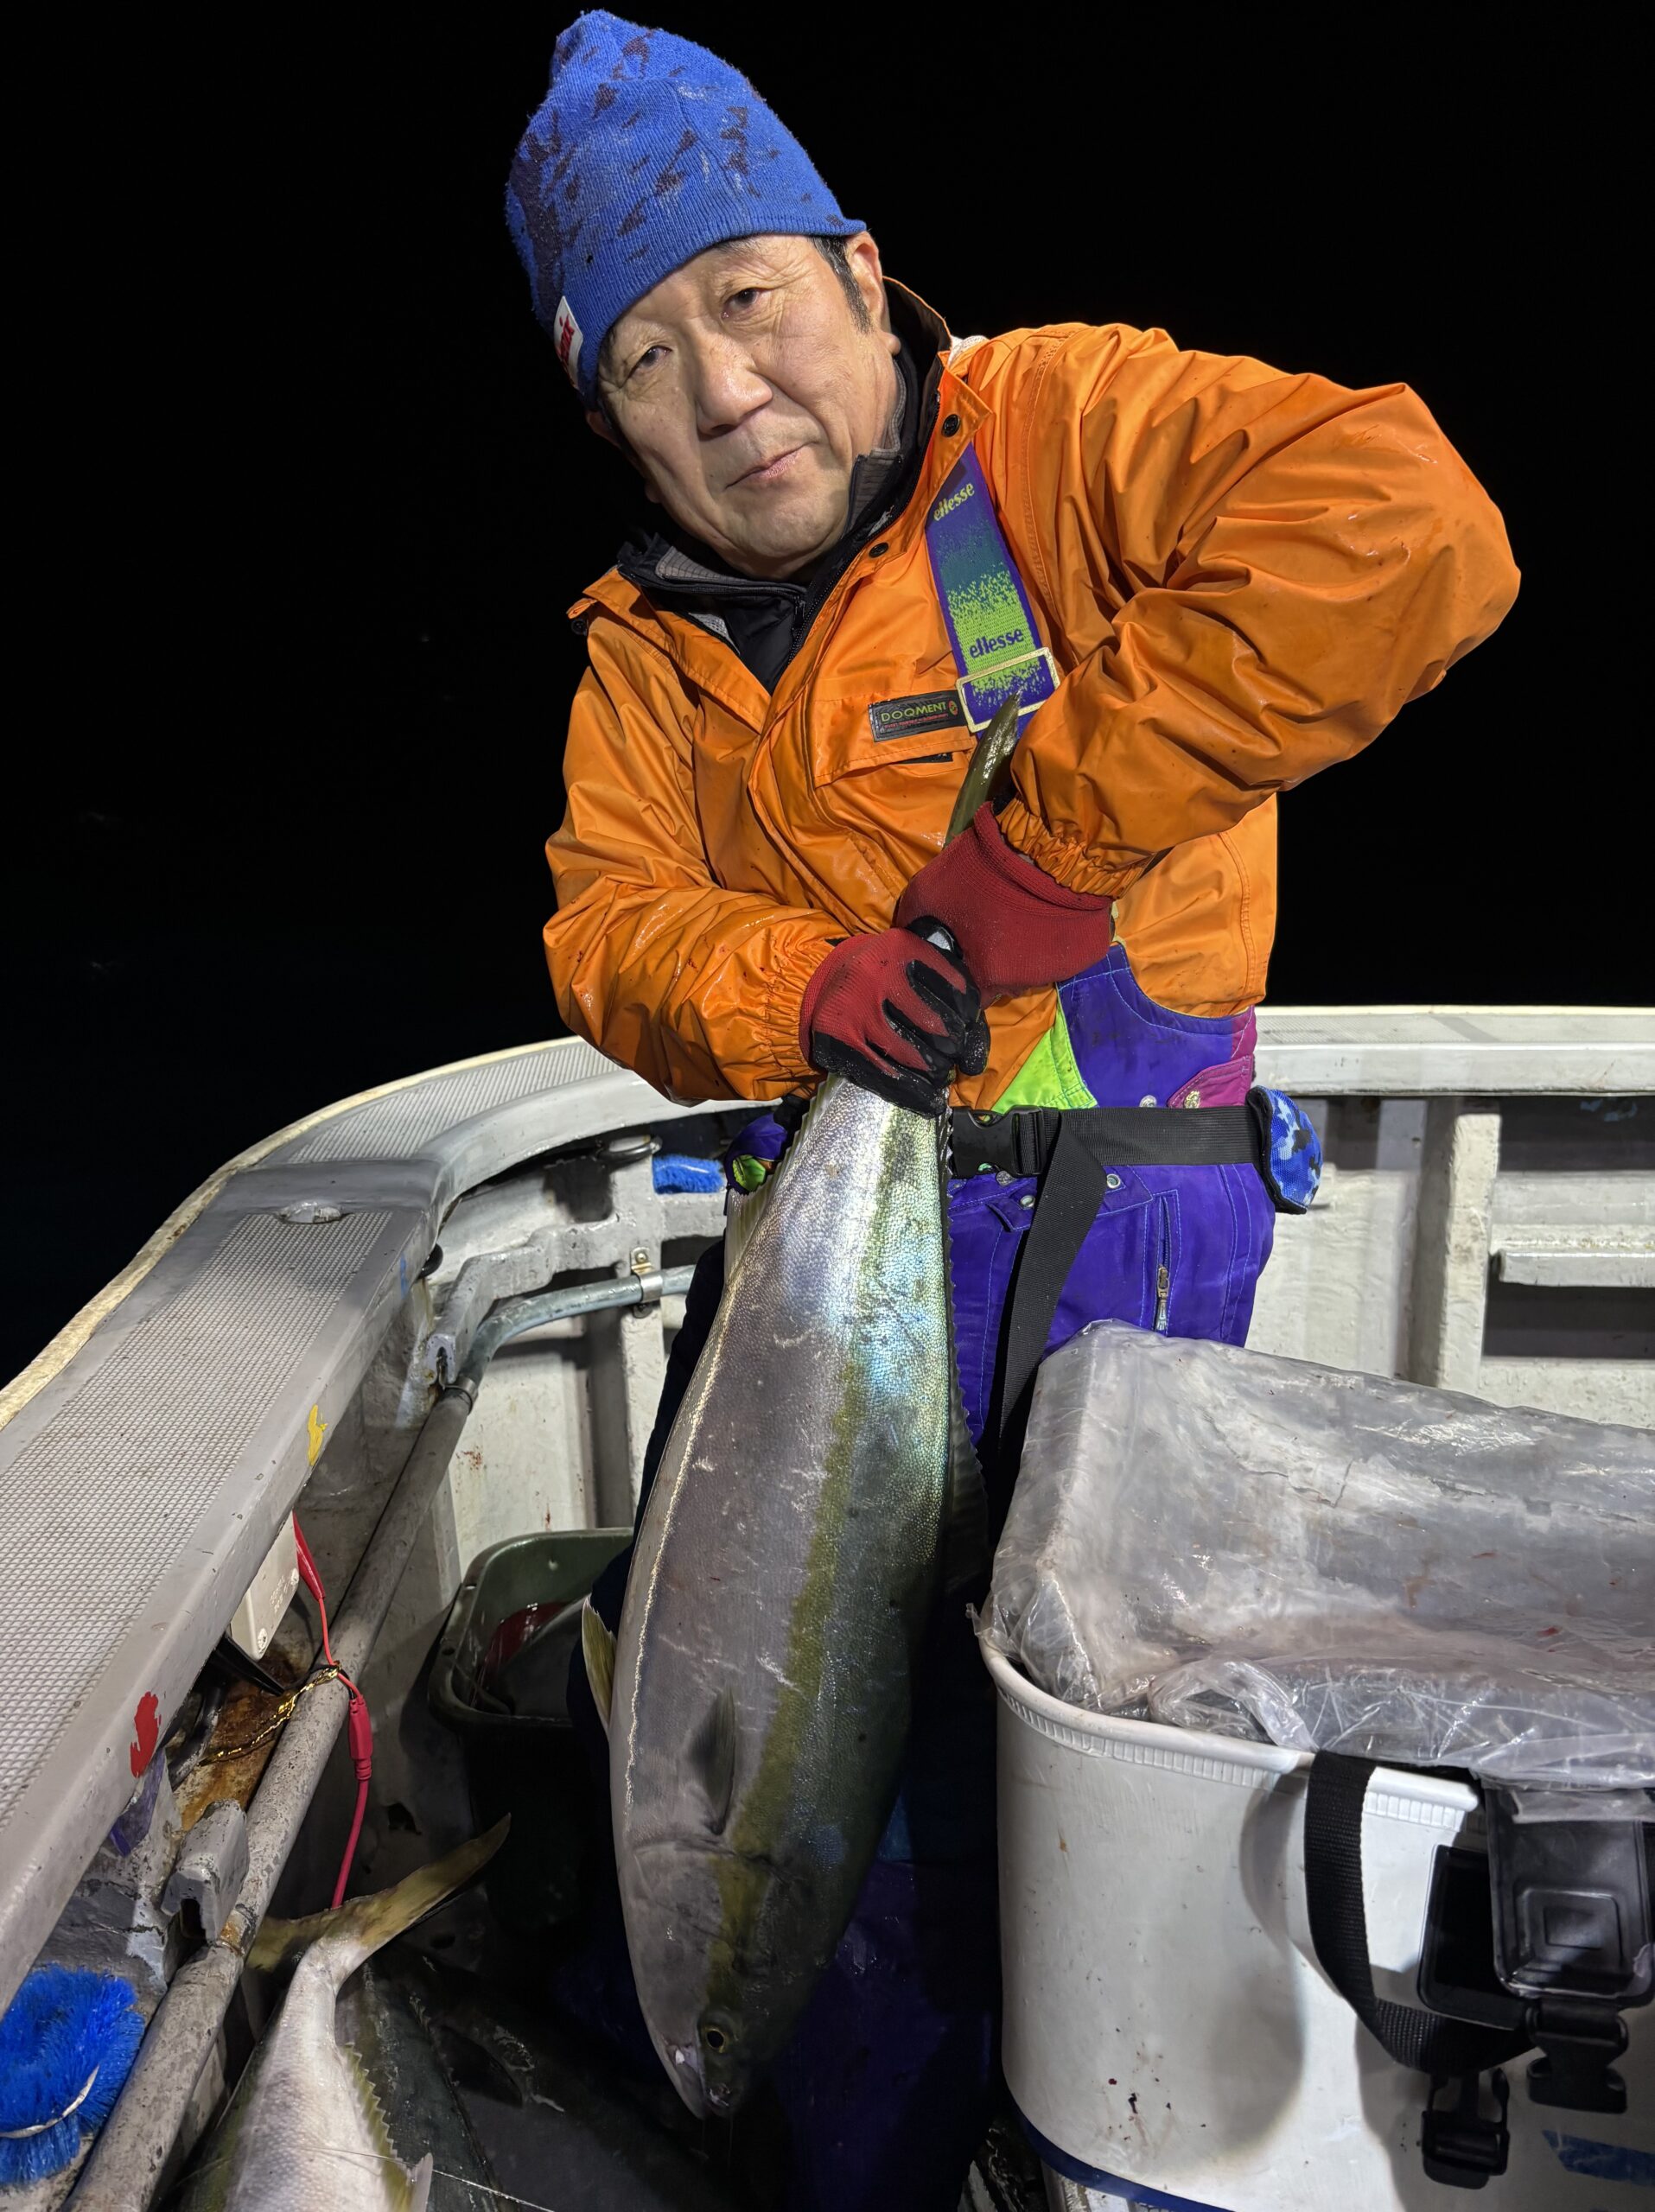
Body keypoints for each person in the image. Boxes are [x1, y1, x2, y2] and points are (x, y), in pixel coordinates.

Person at [506, 14, 1518, 2207]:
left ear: (862, 274)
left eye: (749, 296)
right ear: (609, 416)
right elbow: (608, 925)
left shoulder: (1056, 438)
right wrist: (798, 983)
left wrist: (1045, 850)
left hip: (1104, 1275)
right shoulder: (641, 651)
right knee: (828, 1822)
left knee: (1066, 1792)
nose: (724, 389)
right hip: (818, 1296)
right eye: (648, 358)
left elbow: (1407, 524)